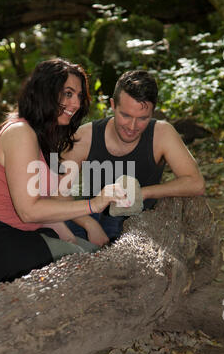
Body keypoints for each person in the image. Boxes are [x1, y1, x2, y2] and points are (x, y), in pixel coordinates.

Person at [0, 58, 127, 284]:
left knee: (103, 259)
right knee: (103, 271)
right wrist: (94, 205)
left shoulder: (43, 138)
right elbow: (29, 211)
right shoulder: (20, 132)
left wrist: (73, 236)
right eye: (68, 93)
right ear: (45, 92)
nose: (76, 103)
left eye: (79, 96)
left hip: (26, 236)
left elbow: (45, 206)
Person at [63, 69, 205, 246]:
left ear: (153, 112)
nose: (132, 126)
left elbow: (195, 183)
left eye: (142, 118)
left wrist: (145, 193)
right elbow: (58, 193)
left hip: (139, 221)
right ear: (113, 105)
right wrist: (89, 224)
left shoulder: (162, 133)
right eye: (126, 115)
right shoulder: (85, 137)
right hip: (89, 214)